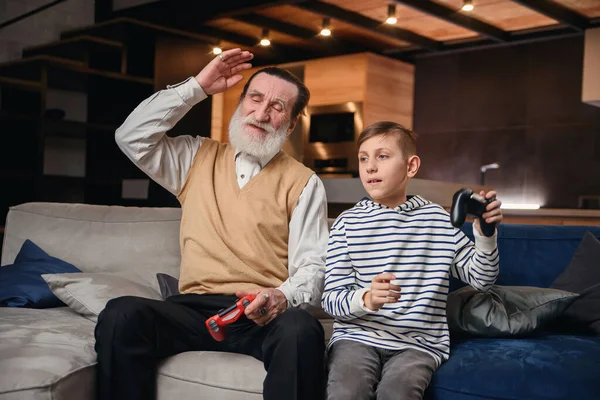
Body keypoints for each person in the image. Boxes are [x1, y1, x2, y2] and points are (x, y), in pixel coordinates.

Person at [94, 48, 329, 400]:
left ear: (291, 124)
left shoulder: (304, 182)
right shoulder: (194, 156)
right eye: (255, 98)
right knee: (121, 314)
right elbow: (130, 137)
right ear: (240, 102)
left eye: (277, 107)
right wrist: (197, 87)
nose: (262, 113)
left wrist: (281, 296)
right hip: (192, 310)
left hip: (260, 315)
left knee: (301, 328)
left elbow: (313, 265)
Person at [322, 121, 503, 400]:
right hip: (356, 338)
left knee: (398, 393)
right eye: (363, 158)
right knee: (346, 391)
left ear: (411, 166)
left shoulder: (437, 220)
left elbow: (483, 279)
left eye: (382, 156)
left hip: (418, 344)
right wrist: (366, 299)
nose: (370, 166)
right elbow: (331, 299)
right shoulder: (347, 223)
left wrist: (485, 235)